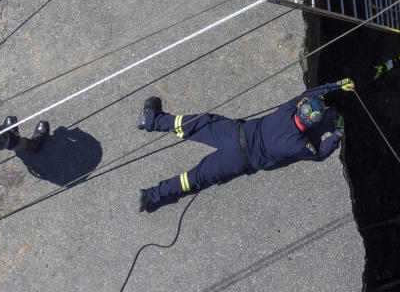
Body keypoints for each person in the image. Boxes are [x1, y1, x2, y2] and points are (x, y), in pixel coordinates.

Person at [137, 78, 356, 212]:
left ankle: (152, 120)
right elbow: (318, 153)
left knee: (196, 124)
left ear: (301, 109)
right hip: (238, 162)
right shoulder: (298, 144)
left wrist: (336, 85)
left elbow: (308, 94)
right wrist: (338, 133)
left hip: (234, 133)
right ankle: (151, 196)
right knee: (194, 179)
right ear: (312, 124)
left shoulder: (288, 110)